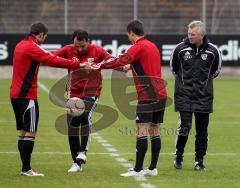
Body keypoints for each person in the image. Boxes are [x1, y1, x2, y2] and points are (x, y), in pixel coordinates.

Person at [10, 22, 90, 176]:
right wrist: (78, 65)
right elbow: (53, 60)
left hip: (15, 94)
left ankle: (26, 168)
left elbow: (49, 56)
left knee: (23, 132)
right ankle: (26, 169)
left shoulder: (21, 44)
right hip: (27, 96)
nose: (44, 39)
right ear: (41, 35)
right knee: (30, 133)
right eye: (44, 37)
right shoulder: (33, 47)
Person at [97, 20, 167, 177]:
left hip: (147, 95)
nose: (128, 37)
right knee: (154, 131)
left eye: (128, 34)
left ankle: (137, 170)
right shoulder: (152, 45)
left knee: (141, 131)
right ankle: (152, 168)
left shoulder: (138, 47)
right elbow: (142, 64)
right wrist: (130, 66)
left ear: (131, 33)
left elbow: (119, 61)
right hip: (161, 93)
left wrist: (98, 65)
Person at [53, 29, 116, 173]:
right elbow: (52, 57)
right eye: (77, 46)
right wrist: (69, 62)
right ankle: (75, 162)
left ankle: (83, 152)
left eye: (82, 46)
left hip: (91, 91)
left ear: (88, 41)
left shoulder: (98, 51)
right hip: (73, 93)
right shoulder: (68, 50)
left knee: (85, 115)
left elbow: (111, 60)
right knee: (72, 126)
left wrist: (123, 66)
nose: (79, 49)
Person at [170, 20, 222, 171]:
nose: (190, 36)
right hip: (184, 96)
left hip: (204, 96)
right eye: (189, 33)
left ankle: (199, 161)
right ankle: (178, 156)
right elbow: (174, 69)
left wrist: (203, 84)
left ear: (201, 35)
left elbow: (216, 71)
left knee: (202, 130)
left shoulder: (213, 51)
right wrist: (183, 85)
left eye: (193, 34)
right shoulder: (180, 49)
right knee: (184, 127)